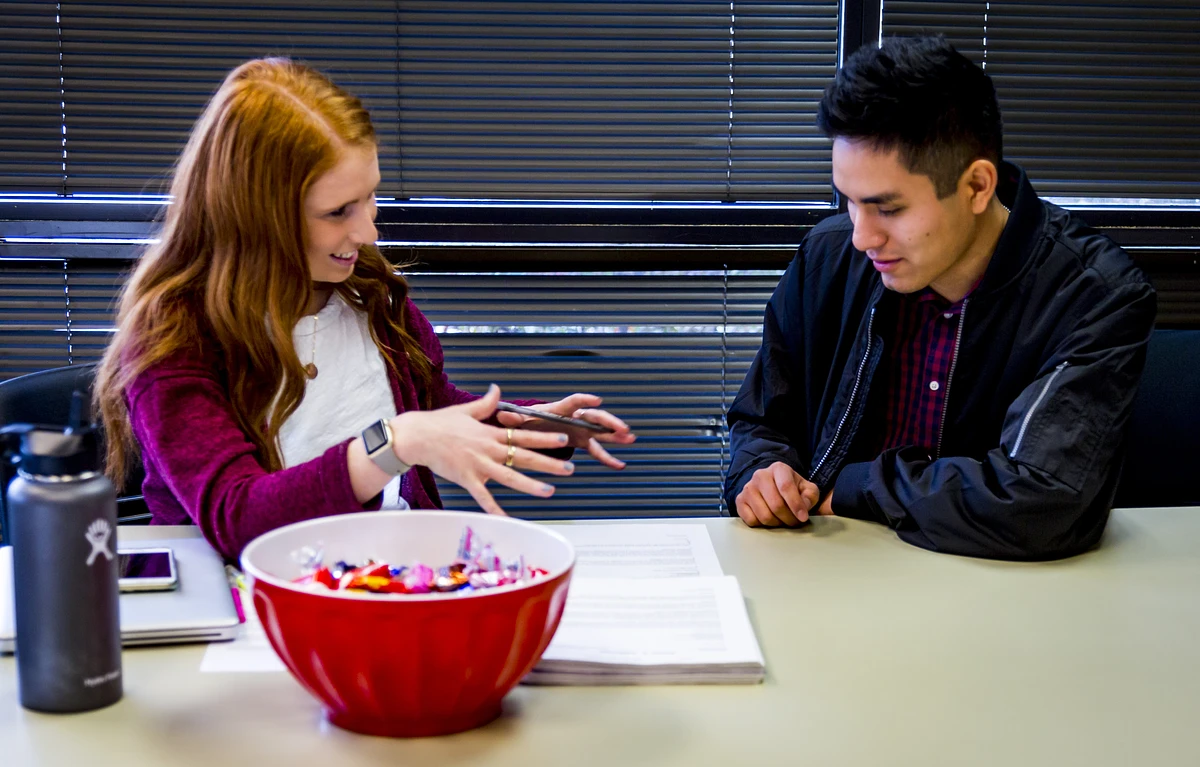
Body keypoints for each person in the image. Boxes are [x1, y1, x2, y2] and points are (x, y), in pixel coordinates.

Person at [94, 58, 635, 560]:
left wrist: (527, 423)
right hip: (243, 608)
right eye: (337, 211)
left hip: (389, 578)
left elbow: (426, 402)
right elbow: (238, 517)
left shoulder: (368, 293)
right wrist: (395, 443)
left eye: (370, 196)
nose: (367, 231)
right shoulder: (173, 337)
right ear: (253, 217)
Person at [724, 36, 1155, 560]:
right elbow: (762, 418)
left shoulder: (1093, 294)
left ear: (976, 187)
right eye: (849, 202)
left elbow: (1041, 500)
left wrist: (857, 488)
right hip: (829, 572)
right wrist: (762, 472)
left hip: (1002, 593)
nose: (862, 236)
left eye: (888, 208)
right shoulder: (829, 255)